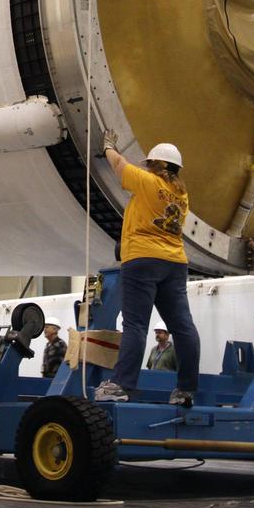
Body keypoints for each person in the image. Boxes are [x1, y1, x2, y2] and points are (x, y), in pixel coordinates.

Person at [94, 131, 200, 407]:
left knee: (135, 324)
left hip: (142, 259)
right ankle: (186, 389)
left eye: (149, 163)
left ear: (156, 165)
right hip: (175, 263)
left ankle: (122, 384)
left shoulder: (147, 182)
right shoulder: (181, 194)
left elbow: (119, 166)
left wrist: (108, 147)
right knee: (183, 326)